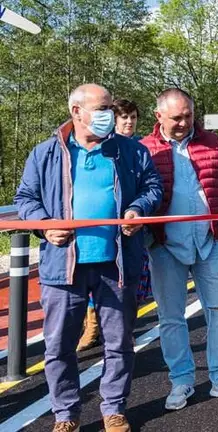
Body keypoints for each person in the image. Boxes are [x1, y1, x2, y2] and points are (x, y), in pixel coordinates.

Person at [14, 83, 163, 432]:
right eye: (101, 108)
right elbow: (25, 198)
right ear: (77, 112)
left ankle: (113, 408)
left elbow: (152, 187)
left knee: (119, 341)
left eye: (110, 108)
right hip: (63, 266)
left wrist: (138, 209)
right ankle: (65, 414)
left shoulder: (130, 151)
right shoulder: (46, 153)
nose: (108, 115)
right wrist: (45, 225)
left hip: (118, 263)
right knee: (60, 345)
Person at [140, 88, 218, 411]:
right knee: (171, 317)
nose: (183, 122)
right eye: (176, 117)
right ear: (158, 115)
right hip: (165, 247)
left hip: (210, 243)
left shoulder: (213, 144)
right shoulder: (144, 149)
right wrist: (149, 236)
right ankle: (181, 380)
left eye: (188, 115)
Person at [77, 98, 152, 352]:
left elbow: (151, 186)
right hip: (95, 235)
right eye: (124, 118)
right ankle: (93, 326)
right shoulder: (100, 145)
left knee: (130, 286)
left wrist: (139, 209)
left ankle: (124, 330)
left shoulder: (141, 147)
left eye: (133, 117)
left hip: (131, 233)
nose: (129, 122)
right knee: (91, 285)